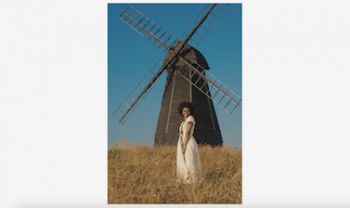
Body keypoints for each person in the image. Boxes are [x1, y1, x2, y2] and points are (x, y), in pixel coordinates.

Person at [176, 101, 202, 184]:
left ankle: (192, 180)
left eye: (188, 111)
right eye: (184, 111)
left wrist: (184, 145)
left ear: (190, 111)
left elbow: (187, 132)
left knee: (189, 160)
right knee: (183, 161)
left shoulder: (190, 120)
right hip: (182, 142)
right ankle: (185, 180)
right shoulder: (184, 122)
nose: (186, 112)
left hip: (187, 142)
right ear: (182, 112)